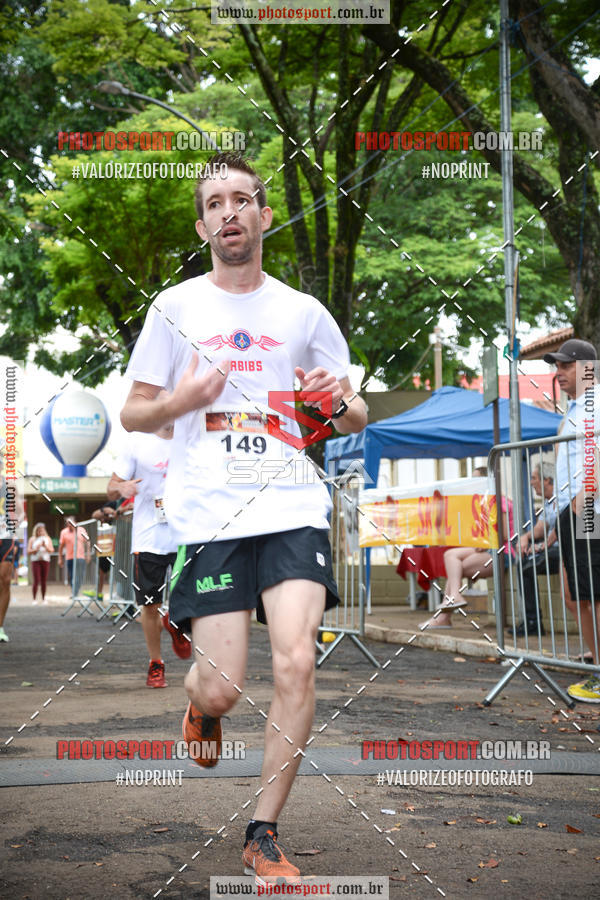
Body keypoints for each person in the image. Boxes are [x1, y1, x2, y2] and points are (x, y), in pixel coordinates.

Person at [120, 151, 367, 885]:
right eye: (214, 203)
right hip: (210, 516)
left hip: (292, 505)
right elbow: (134, 411)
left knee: (296, 661)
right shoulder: (175, 307)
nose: (229, 211)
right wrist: (179, 402)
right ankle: (201, 707)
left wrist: (335, 402)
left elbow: (352, 410)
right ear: (204, 227)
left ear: (263, 215)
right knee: (222, 686)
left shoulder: (303, 312)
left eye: (241, 199)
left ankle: (263, 833)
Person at [107, 415, 190, 688]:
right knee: (150, 605)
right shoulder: (137, 442)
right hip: (148, 537)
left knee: (193, 597)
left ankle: (176, 623)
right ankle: (156, 663)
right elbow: (111, 489)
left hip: (186, 534)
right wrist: (122, 487)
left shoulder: (191, 437)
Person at [542, 339, 600, 702]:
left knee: (594, 594)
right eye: (557, 366)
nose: (558, 372)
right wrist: (557, 514)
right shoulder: (577, 407)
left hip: (590, 507)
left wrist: (587, 494)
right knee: (576, 595)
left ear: (586, 368)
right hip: (572, 509)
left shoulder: (595, 403)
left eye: (566, 365)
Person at [420, 466, 505, 629]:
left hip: (500, 552)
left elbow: (505, 535)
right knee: (451, 559)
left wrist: (486, 542)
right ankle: (453, 598)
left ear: (486, 481)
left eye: (476, 480)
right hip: (487, 548)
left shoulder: (498, 501)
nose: (472, 483)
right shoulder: (481, 503)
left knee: (454, 570)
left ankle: (445, 614)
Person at [510, 462, 559, 637]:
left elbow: (562, 526)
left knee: (527, 566)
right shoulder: (548, 501)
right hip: (552, 549)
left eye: (534, 478)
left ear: (546, 480)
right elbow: (540, 528)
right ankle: (533, 622)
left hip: (565, 550)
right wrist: (525, 537)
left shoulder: (563, 496)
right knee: (523, 561)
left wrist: (542, 546)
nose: (531, 482)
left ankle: (533, 622)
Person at [0, 447, 23, 642]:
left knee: (5, 580)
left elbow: (20, 511)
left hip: (5, 537)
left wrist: (15, 525)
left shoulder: (9, 485)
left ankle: (0, 628)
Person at [58, 517, 90, 598]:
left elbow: (87, 542)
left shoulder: (81, 530)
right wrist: (60, 558)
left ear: (75, 522)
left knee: (79, 576)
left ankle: (75, 592)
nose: (69, 525)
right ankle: (74, 593)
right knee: (72, 576)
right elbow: (61, 546)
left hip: (80, 557)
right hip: (70, 558)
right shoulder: (64, 532)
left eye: (71, 523)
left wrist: (88, 554)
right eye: (67, 523)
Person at [27, 523, 54, 604]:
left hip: (45, 561)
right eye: (38, 531)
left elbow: (51, 550)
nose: (40, 532)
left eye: (42, 530)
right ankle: (34, 599)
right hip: (36, 561)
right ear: (36, 531)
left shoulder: (47, 538)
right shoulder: (32, 539)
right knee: (36, 580)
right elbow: (28, 551)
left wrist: (45, 546)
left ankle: (43, 598)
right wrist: (36, 549)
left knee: (44, 580)